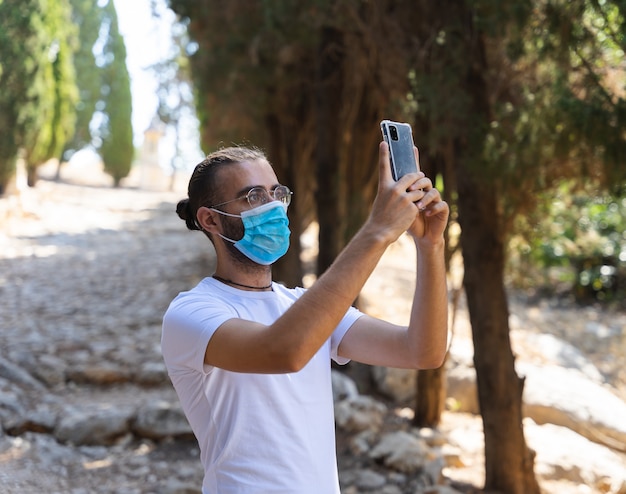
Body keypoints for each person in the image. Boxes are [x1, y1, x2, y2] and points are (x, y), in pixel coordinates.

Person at [161, 141, 449, 494]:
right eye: (253, 197)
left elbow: (422, 351)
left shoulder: (302, 306)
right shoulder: (191, 313)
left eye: (276, 193)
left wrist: (430, 246)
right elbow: (284, 352)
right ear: (210, 219)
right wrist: (377, 231)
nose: (273, 208)